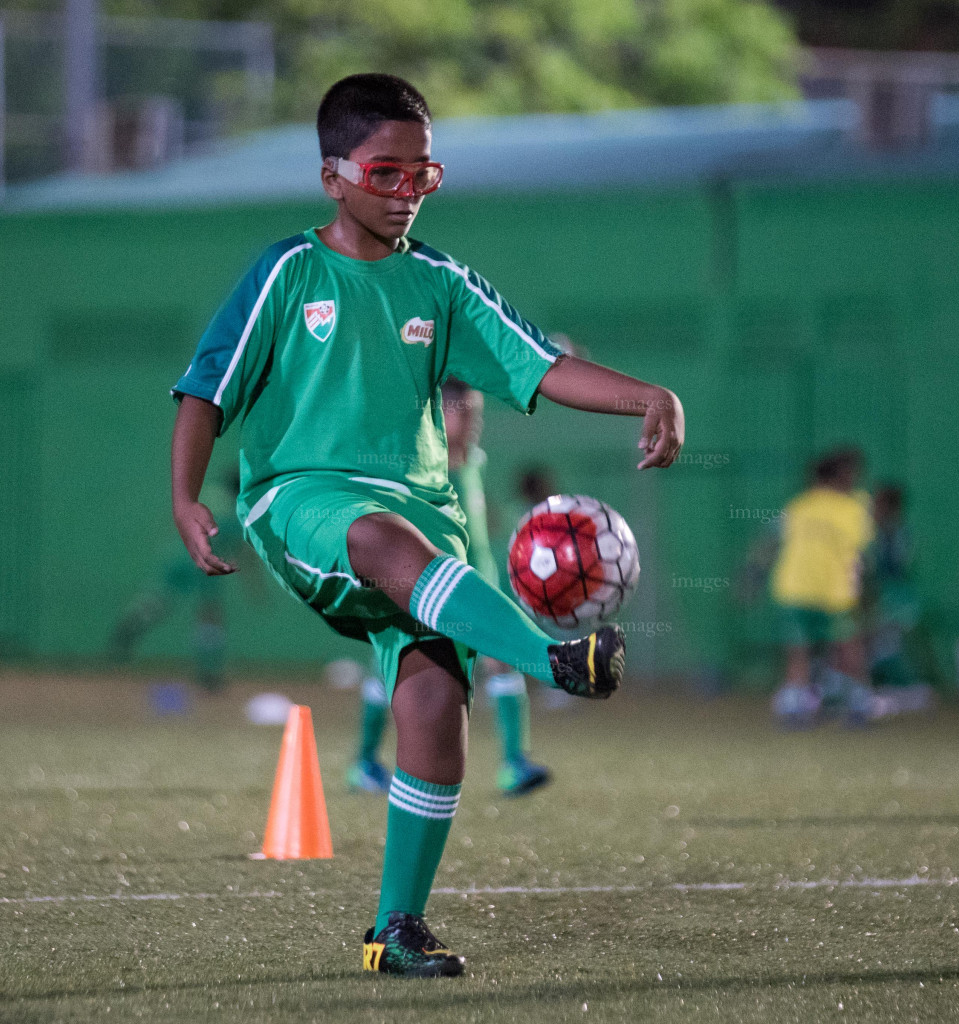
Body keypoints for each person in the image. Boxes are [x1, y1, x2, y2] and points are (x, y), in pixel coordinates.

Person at [168, 74, 684, 978]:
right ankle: (550, 657)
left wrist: (650, 394)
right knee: (372, 537)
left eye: (424, 175)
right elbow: (208, 388)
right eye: (387, 173)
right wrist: (185, 497)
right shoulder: (289, 272)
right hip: (302, 500)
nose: (407, 192)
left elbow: (538, 365)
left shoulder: (440, 283)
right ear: (334, 176)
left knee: (435, 696)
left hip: (423, 512)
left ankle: (394, 928)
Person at [348, 379, 552, 798]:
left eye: (475, 410)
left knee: (502, 662)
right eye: (463, 410)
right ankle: (364, 762)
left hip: (479, 583)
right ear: (437, 415)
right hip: (431, 588)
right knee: (390, 669)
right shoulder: (423, 468)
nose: (473, 420)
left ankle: (513, 765)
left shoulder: (472, 460)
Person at [766, 446, 877, 728]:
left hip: (802, 590)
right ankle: (844, 706)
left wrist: (751, 577)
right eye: (851, 473)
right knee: (841, 651)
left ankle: (825, 706)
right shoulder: (850, 508)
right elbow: (863, 556)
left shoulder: (802, 505)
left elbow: (768, 543)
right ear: (839, 475)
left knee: (805, 652)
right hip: (824, 592)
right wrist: (866, 589)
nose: (854, 478)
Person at [110, 469, 245, 691]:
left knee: (161, 600)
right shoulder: (237, 510)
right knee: (210, 616)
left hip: (180, 554)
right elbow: (238, 549)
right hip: (206, 560)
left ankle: (133, 623)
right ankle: (208, 673)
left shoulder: (209, 495)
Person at [864, 482, 933, 714]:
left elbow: (896, 568)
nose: (874, 509)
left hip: (898, 600)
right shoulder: (872, 533)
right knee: (876, 643)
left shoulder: (899, 533)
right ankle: (886, 689)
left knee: (891, 644)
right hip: (881, 599)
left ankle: (907, 689)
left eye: (879, 504)